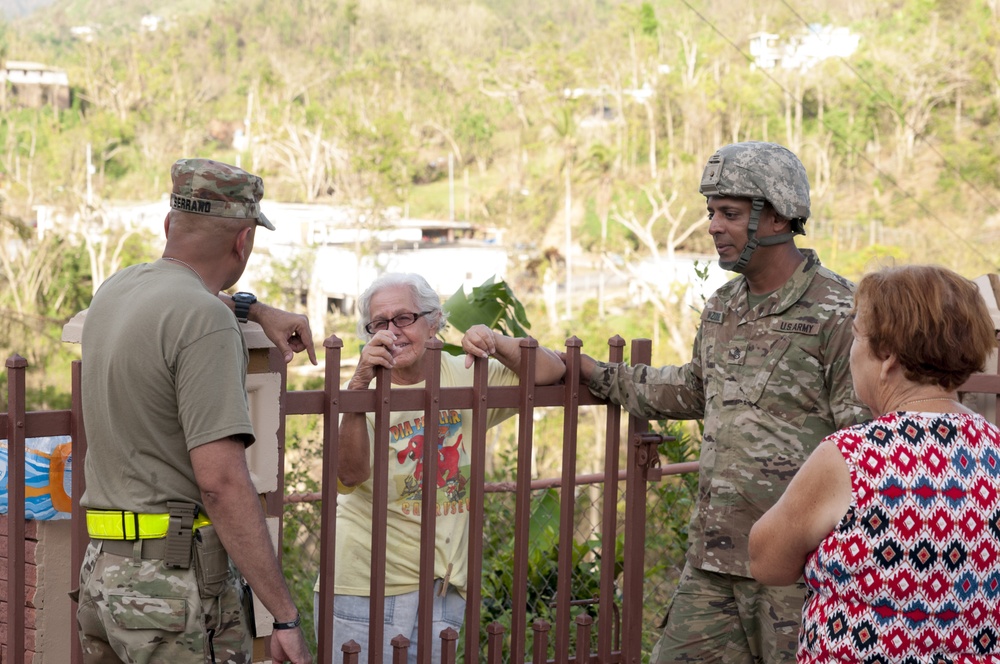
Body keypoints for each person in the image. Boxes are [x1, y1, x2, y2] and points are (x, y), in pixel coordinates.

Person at [571, 141, 868, 663]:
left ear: (776, 216)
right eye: (711, 212)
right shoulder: (723, 306)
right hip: (713, 560)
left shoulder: (838, 310)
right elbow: (692, 389)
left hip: (796, 568)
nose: (712, 226)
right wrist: (590, 372)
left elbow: (860, 443)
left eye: (729, 213)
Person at [76, 158, 314, 664]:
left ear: (169, 225)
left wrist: (255, 309)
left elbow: (195, 300)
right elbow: (221, 483)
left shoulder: (117, 290)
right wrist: (285, 615)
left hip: (103, 575)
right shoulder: (204, 321)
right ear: (243, 242)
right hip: (171, 594)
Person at [749, 265, 1000, 663]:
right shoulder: (994, 448)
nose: (851, 352)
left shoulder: (851, 456)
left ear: (887, 358)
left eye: (856, 337)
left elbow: (767, 562)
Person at [313, 272, 565, 663]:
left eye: (403, 318)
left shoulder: (463, 373)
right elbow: (350, 474)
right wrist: (359, 388)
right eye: (379, 323)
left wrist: (496, 343)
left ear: (434, 321)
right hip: (367, 584)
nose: (392, 332)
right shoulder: (363, 387)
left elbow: (551, 373)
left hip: (443, 586)